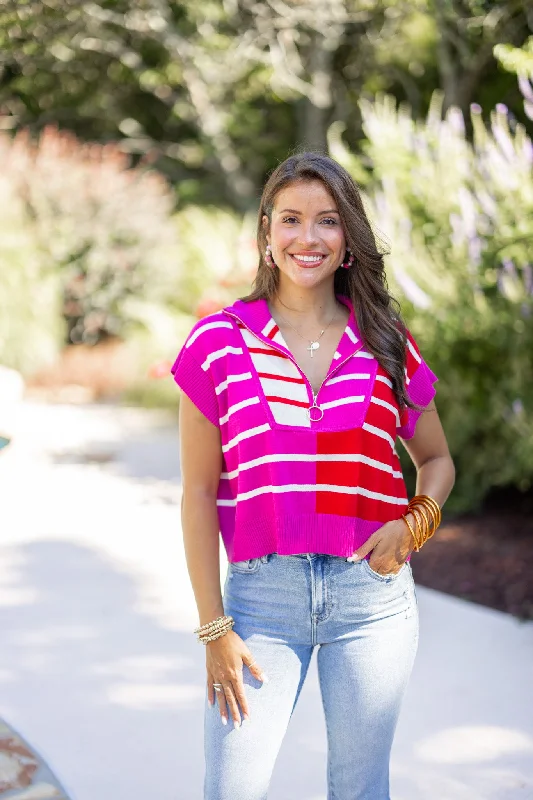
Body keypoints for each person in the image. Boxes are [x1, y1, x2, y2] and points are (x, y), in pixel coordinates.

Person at [172, 152, 455, 800]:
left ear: (347, 240)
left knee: (359, 791)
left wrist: (415, 524)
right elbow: (196, 493)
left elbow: (436, 460)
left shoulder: (384, 339)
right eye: (292, 219)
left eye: (327, 222)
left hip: (372, 603)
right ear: (266, 232)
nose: (308, 238)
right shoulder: (217, 344)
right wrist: (213, 627)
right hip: (260, 605)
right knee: (232, 788)